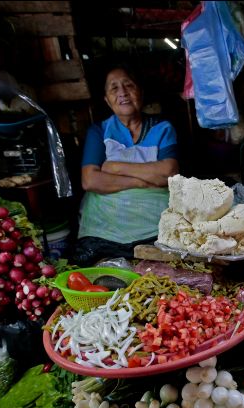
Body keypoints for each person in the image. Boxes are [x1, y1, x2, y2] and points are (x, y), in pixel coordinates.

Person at [73, 65, 179, 266]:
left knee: (163, 268)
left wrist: (114, 167)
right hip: (105, 227)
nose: (122, 92)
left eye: (128, 85)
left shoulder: (162, 128)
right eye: (114, 88)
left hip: (154, 225)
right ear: (106, 99)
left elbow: (169, 172)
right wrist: (144, 182)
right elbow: (90, 180)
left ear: (140, 92)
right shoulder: (99, 131)